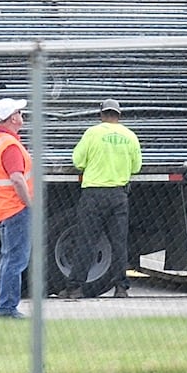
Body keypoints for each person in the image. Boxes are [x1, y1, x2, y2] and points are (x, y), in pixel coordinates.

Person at [64, 98, 142, 299]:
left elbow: (78, 162)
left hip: (94, 194)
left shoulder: (92, 133)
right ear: (119, 115)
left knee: (86, 241)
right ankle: (121, 288)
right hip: (118, 194)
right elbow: (136, 167)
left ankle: (75, 288)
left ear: (101, 115)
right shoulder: (130, 136)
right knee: (118, 242)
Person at [0, 97, 33, 319]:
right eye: (20, 113)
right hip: (16, 208)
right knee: (16, 260)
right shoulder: (11, 146)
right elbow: (17, 179)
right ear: (12, 117)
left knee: (8, 259)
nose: (22, 116)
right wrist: (29, 203)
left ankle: (5, 306)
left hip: (2, 208)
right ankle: (7, 308)